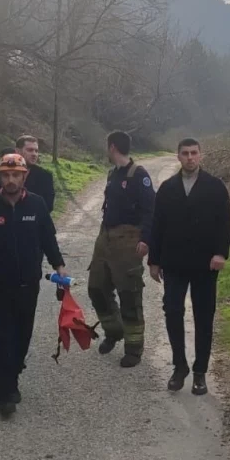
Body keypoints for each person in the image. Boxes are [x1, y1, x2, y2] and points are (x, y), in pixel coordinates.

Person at [0, 153, 67, 418]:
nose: (11, 180)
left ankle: (13, 373)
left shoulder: (37, 205)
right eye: (5, 175)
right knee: (1, 337)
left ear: (25, 176)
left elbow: (48, 239)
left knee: (23, 336)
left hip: (29, 284)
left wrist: (59, 265)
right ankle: (4, 392)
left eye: (16, 174)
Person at [149, 137, 230, 395]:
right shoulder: (167, 188)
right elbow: (157, 225)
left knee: (203, 317)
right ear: (178, 156)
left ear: (201, 155)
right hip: (174, 262)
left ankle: (200, 372)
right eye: (185, 153)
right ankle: (180, 366)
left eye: (194, 153)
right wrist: (154, 260)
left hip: (205, 263)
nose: (190, 157)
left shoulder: (215, 187)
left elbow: (225, 223)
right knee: (172, 312)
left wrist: (221, 253)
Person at [88, 130, 156, 367]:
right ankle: (114, 330)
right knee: (96, 287)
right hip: (105, 236)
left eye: (108, 147)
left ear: (112, 147)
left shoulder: (139, 175)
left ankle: (134, 349)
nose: (107, 151)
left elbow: (151, 210)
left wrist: (146, 240)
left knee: (129, 293)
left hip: (128, 239)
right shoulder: (112, 174)